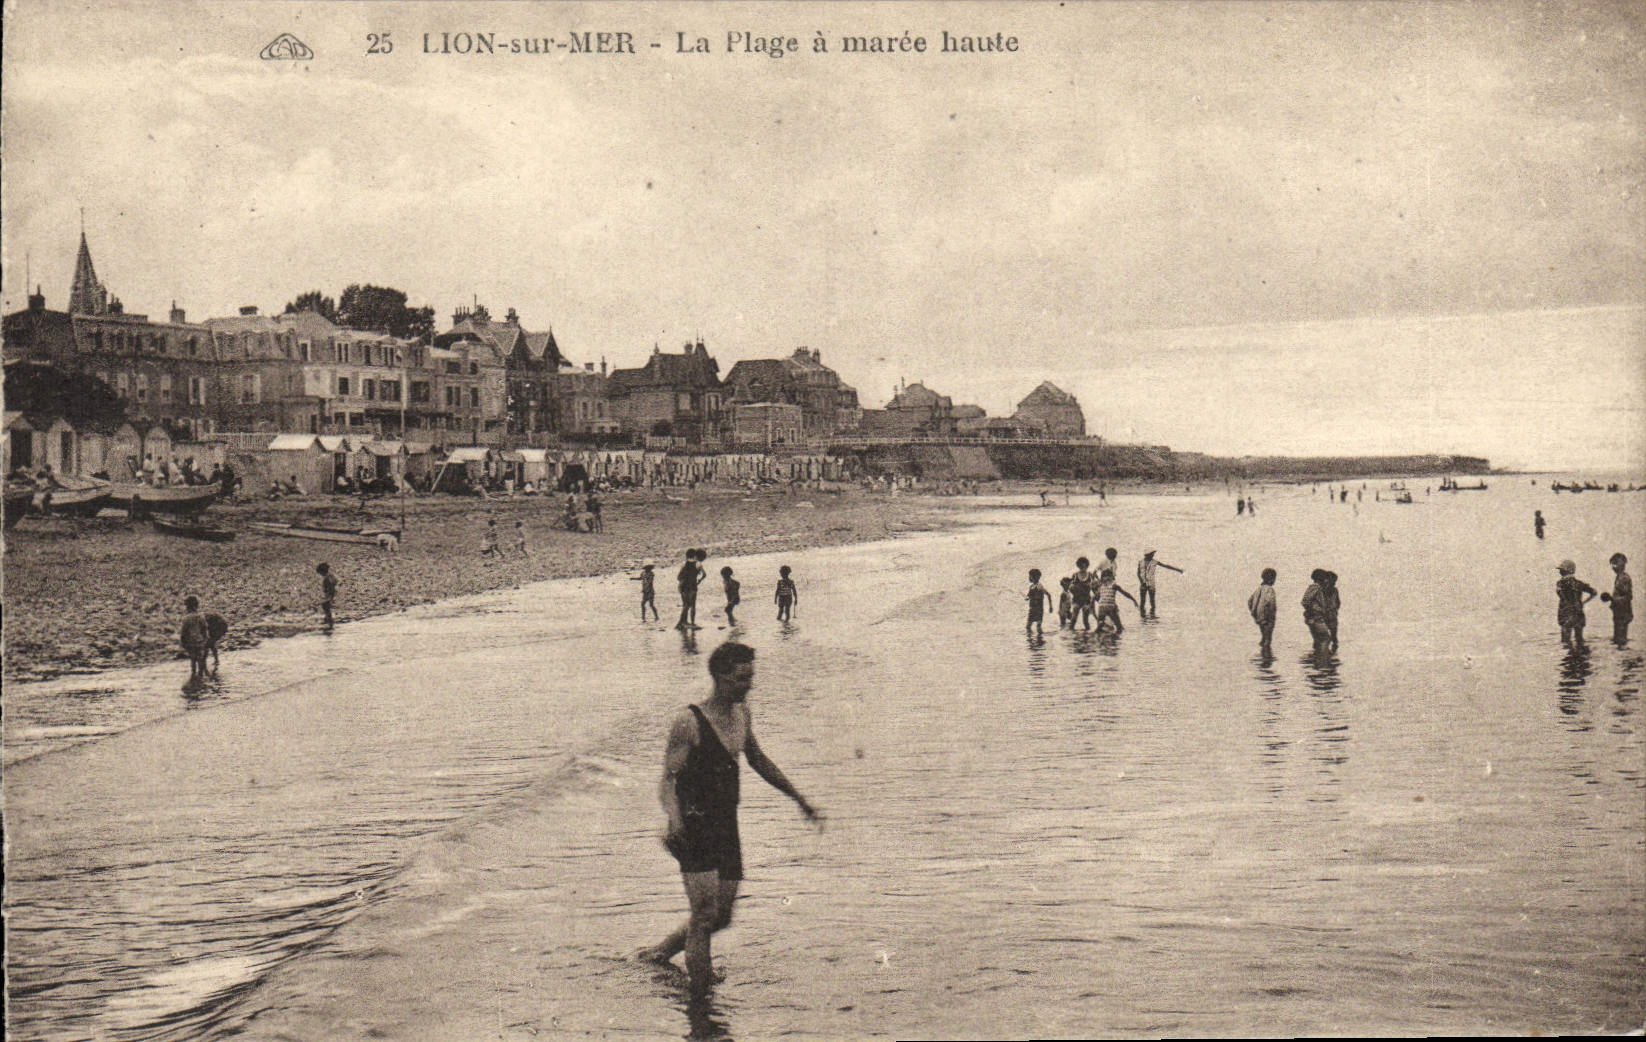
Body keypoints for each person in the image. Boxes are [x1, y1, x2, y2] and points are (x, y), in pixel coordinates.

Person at [640, 642, 822, 996]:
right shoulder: (689, 721)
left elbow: (758, 759)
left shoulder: (743, 715)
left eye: (751, 676)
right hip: (694, 826)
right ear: (720, 676)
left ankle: (661, 953)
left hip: (726, 826)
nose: (749, 685)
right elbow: (668, 780)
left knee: (720, 917)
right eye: (742, 678)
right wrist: (675, 820)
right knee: (705, 914)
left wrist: (798, 797)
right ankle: (701, 1002)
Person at [1556, 559, 1597, 647]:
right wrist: (1583, 602)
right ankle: (1581, 657)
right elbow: (1594, 592)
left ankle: (1569, 658)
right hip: (1578, 613)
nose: (1560, 572)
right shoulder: (1579, 584)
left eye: (1561, 570)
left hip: (1566, 614)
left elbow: (1561, 596)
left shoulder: (1560, 584)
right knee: (1579, 639)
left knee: (1565, 641)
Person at [1135, 550, 1183, 617]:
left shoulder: (1154, 562)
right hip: (1143, 584)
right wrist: (1141, 581)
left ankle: (1152, 615)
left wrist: (1177, 570)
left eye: (1153, 554)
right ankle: (1143, 616)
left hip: (1151, 583)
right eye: (1152, 554)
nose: (1153, 555)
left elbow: (1166, 566)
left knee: (1152, 601)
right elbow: (1138, 573)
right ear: (1147, 555)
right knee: (1142, 602)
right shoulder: (1140, 562)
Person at [1601, 552, 1632, 644]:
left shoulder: (1624, 578)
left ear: (1621, 564)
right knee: (1618, 638)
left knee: (1620, 639)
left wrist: (1611, 599)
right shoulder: (1619, 577)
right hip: (1619, 611)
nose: (1613, 567)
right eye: (1612, 564)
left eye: (1615, 564)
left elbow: (1628, 597)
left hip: (1623, 612)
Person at [1302, 569, 1334, 653]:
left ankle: (1318, 659)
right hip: (1316, 618)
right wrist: (1311, 614)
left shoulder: (1317, 588)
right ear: (1321, 578)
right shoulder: (1315, 587)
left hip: (1315, 617)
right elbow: (1305, 602)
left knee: (1319, 640)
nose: (1327, 581)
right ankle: (1322, 660)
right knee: (1325, 639)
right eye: (1325, 578)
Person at [180, 596, 210, 683]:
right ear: (196, 605)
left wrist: (183, 642)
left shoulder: (186, 618)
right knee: (201, 660)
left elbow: (183, 632)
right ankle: (201, 678)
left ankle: (193, 676)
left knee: (193, 660)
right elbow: (204, 629)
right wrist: (205, 639)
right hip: (200, 642)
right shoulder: (201, 616)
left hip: (190, 642)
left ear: (187, 606)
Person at [1248, 567, 1278, 650]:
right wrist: (1272, 614)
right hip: (1267, 617)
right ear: (1271, 579)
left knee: (1264, 636)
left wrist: (1254, 611)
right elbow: (1271, 603)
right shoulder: (1270, 589)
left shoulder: (1258, 589)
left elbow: (1250, 601)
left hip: (1259, 616)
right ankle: (1266, 656)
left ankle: (1262, 654)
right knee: (1268, 638)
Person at [676, 550, 701, 630]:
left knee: (685, 605)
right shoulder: (698, 564)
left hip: (684, 586)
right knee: (693, 605)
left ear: (686, 556)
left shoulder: (684, 564)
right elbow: (704, 574)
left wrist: (681, 583)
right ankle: (692, 623)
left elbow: (678, 577)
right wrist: (699, 580)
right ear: (694, 555)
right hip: (693, 586)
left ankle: (683, 622)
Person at [1069, 557, 1096, 630]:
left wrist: (1095, 598)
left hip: (1086, 600)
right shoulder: (1075, 575)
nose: (1083, 568)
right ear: (1078, 566)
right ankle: (1071, 635)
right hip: (1076, 599)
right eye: (1081, 566)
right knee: (1074, 618)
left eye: (1085, 566)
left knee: (1085, 620)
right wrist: (1076, 590)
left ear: (1087, 566)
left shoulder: (1090, 575)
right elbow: (1070, 587)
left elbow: (1094, 588)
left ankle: (1086, 635)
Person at [1025, 569, 1053, 635]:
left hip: (1038, 609)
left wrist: (1050, 607)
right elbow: (1028, 596)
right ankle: (1032, 640)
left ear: (1035, 577)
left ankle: (1040, 640)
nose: (1029, 577)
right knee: (1028, 627)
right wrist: (1027, 598)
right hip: (1032, 609)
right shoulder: (1031, 587)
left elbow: (1048, 594)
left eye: (1030, 576)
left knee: (1038, 627)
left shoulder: (1039, 586)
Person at [317, 562, 337, 629]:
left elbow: (329, 587)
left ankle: (329, 622)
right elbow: (335, 582)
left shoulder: (326, 578)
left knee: (326, 606)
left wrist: (328, 595)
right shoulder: (331, 576)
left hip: (329, 594)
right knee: (327, 607)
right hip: (331, 593)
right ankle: (328, 620)